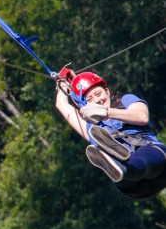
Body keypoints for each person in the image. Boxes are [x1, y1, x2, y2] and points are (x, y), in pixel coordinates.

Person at [55, 70, 166, 199]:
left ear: (107, 91)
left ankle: (123, 164)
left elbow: (142, 117)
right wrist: (62, 83)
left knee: (136, 162)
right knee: (124, 172)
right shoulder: (88, 126)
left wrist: (106, 112)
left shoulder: (125, 100)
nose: (97, 100)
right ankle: (119, 164)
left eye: (98, 94)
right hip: (136, 188)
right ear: (85, 106)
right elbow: (61, 104)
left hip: (157, 163)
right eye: (90, 99)